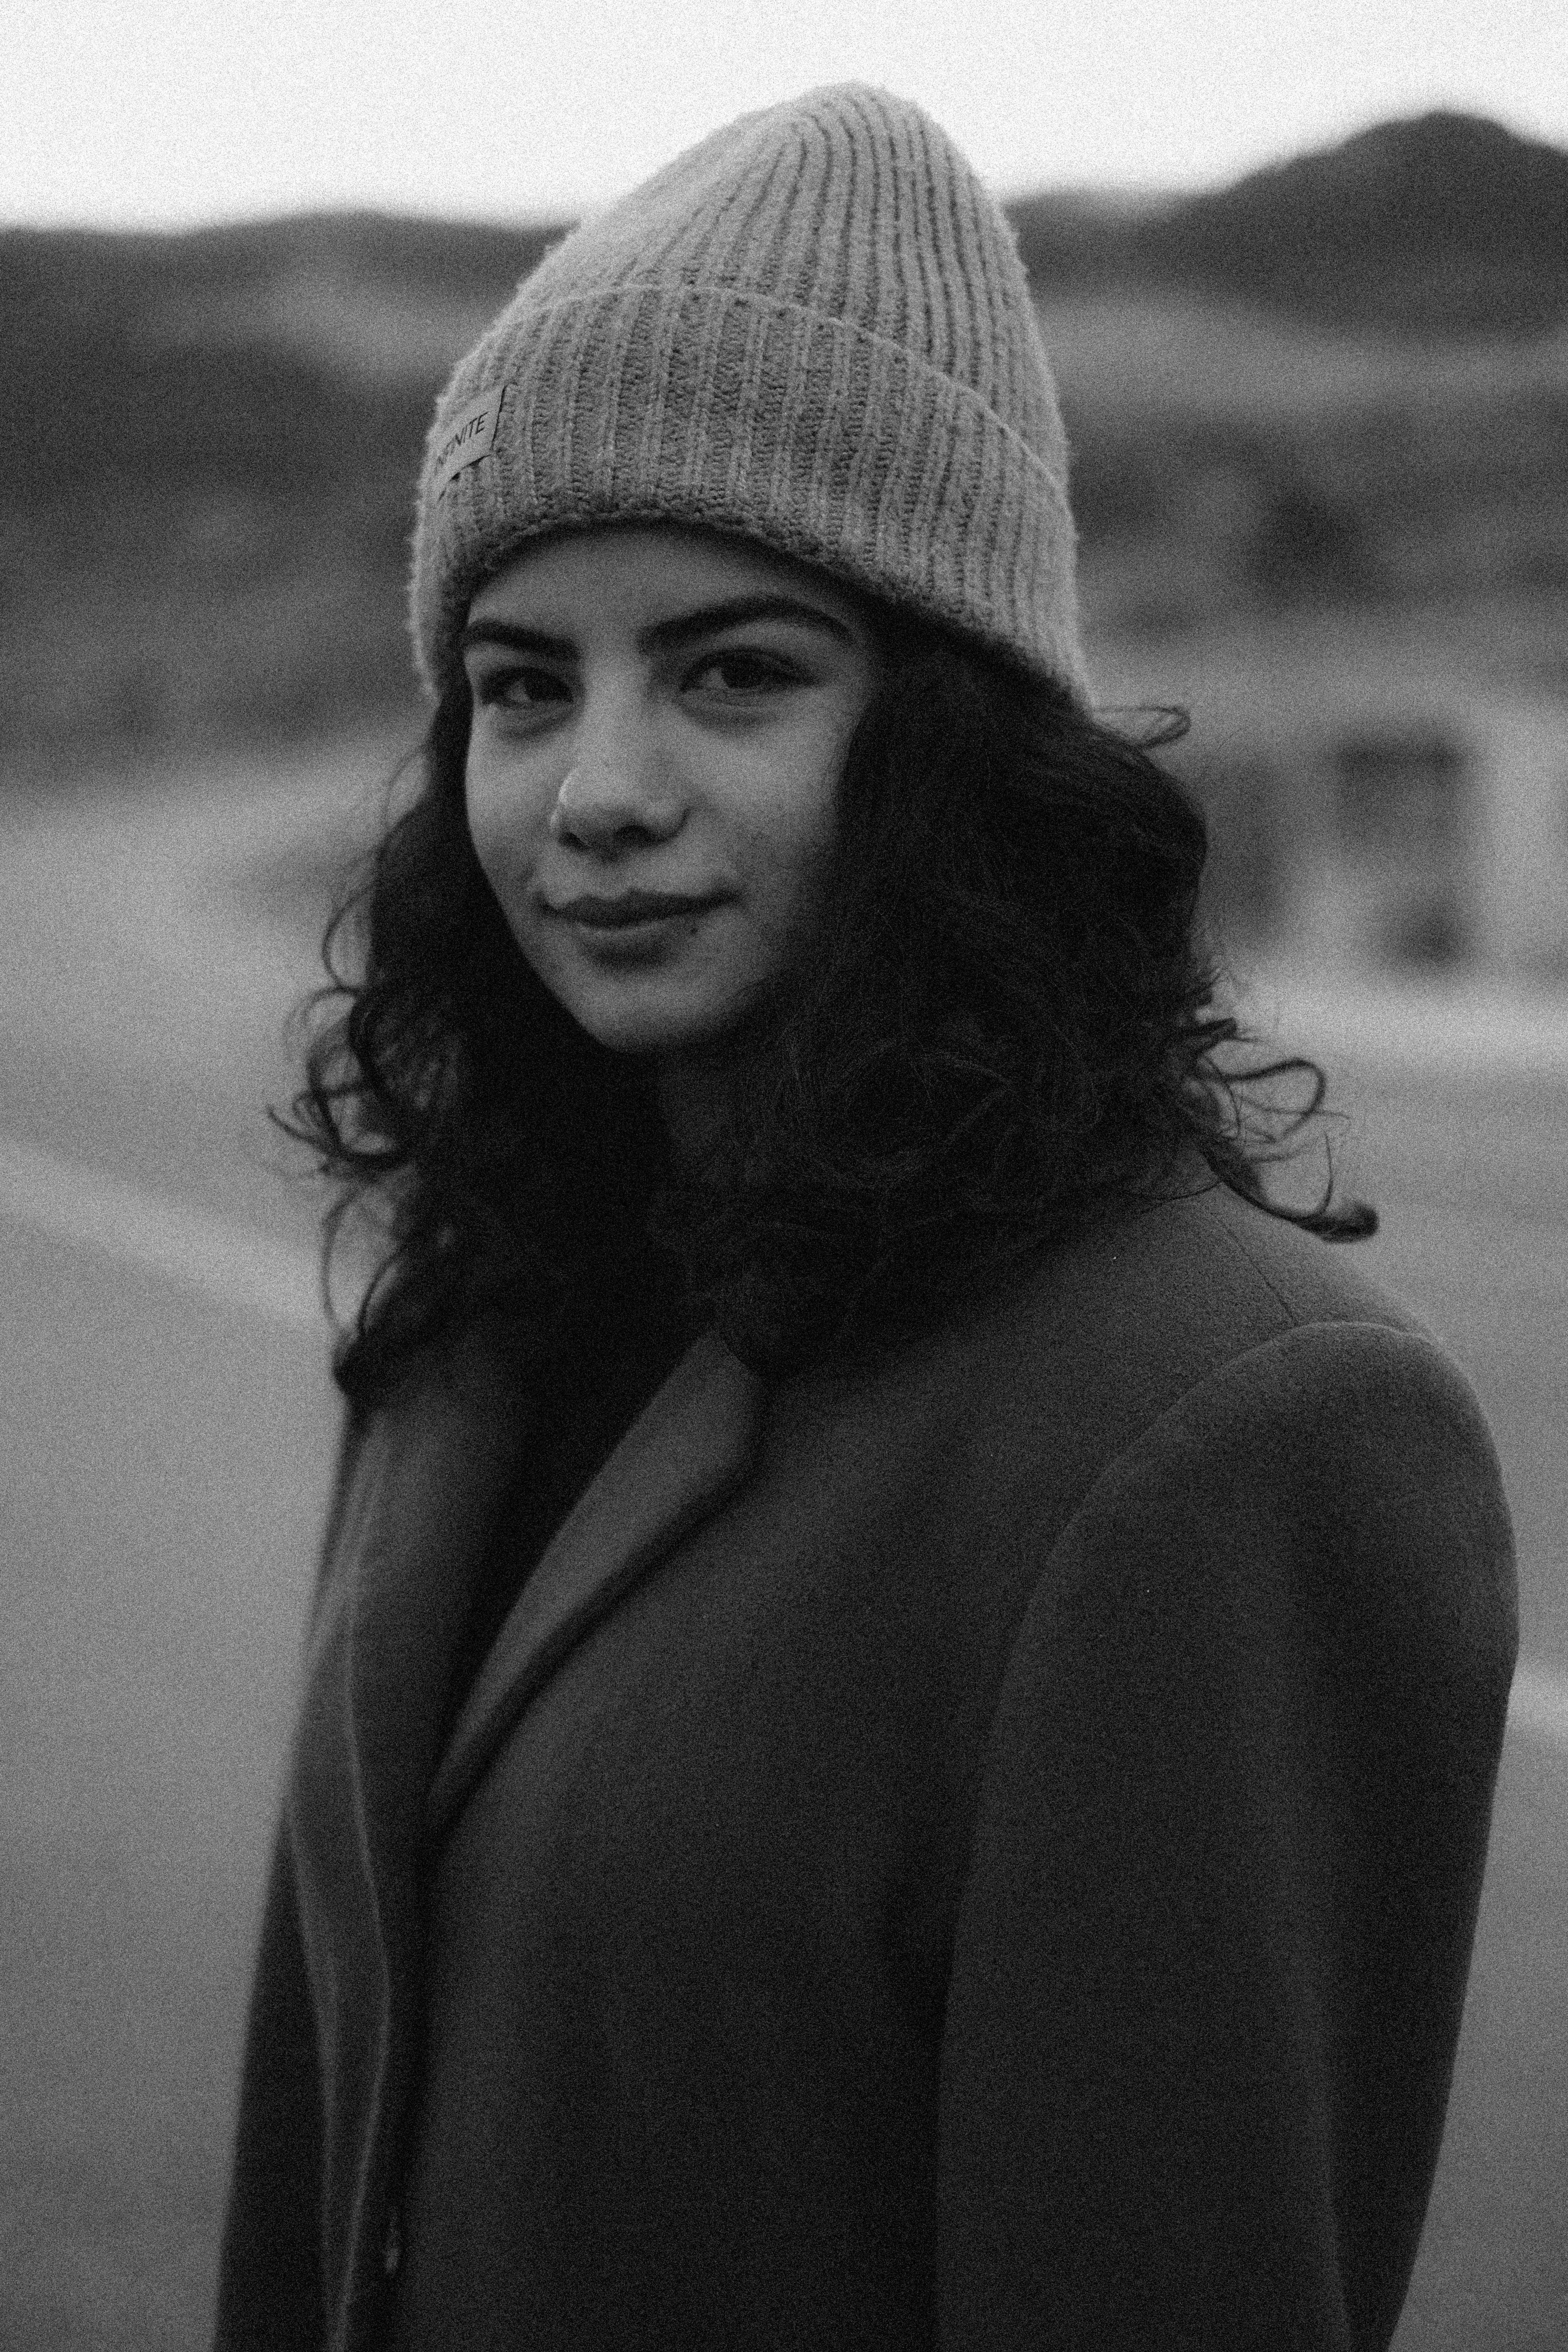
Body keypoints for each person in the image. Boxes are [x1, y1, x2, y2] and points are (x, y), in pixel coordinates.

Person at [214, 83, 1517, 2352]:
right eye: (524, 687)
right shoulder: (476, 1314)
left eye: (735, 670)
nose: (601, 794)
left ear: (949, 739)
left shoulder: (1224, 1422)